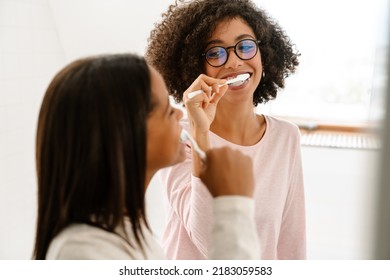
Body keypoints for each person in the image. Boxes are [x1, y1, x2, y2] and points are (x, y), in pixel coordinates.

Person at [33, 53, 260, 259]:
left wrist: (201, 131)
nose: (179, 112)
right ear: (123, 132)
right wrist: (233, 204)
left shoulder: (128, 234)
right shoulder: (83, 254)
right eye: (166, 109)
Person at [146, 0, 306, 259]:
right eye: (215, 52)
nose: (233, 62)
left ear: (263, 54)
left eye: (245, 46)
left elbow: (291, 244)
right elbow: (210, 242)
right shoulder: (180, 136)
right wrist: (200, 131)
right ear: (195, 67)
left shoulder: (286, 137)